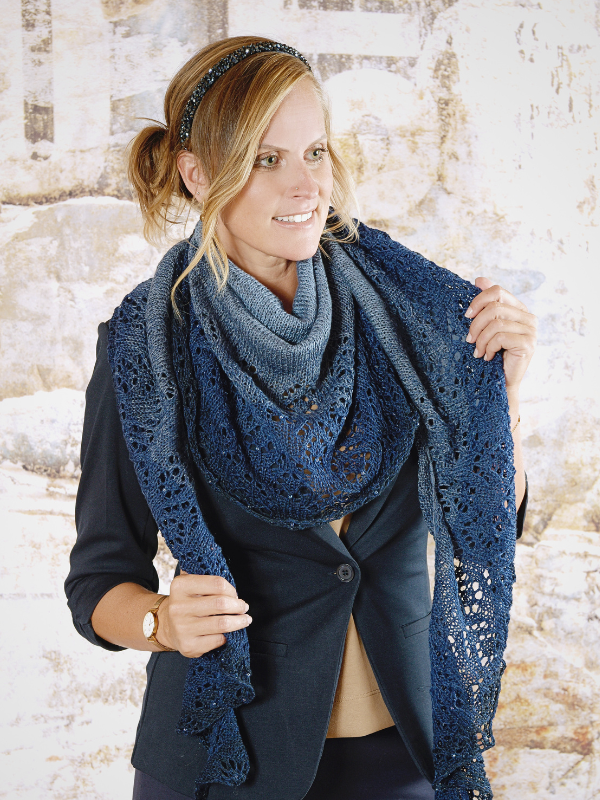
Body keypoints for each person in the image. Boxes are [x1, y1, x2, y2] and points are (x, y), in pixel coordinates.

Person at [65, 36, 535, 800]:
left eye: (314, 151)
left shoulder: (411, 315)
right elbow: (97, 580)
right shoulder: (145, 351)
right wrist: (159, 622)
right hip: (224, 760)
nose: (306, 184)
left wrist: (499, 402)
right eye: (266, 158)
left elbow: (489, 521)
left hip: (406, 752)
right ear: (197, 173)